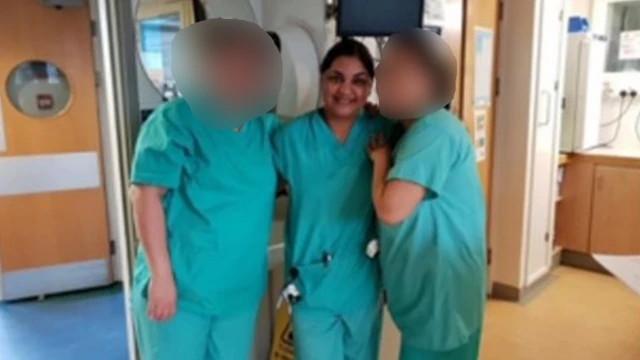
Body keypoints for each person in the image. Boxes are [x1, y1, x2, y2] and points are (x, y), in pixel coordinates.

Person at [129, 23, 282, 360]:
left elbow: (314, 144)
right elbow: (145, 195)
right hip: (181, 290)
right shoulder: (177, 120)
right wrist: (161, 276)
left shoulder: (265, 129)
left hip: (237, 292)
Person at [271, 39, 399, 360]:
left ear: (371, 87)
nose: (346, 90)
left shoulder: (384, 131)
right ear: (322, 79)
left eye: (359, 81)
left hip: (363, 285)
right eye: (336, 78)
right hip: (312, 287)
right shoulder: (291, 138)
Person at [368, 29, 487, 360]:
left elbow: (391, 209)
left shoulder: (434, 130)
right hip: (434, 295)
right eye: (383, 68)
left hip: (442, 300)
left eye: (395, 71)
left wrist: (379, 162)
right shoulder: (412, 129)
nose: (382, 77)